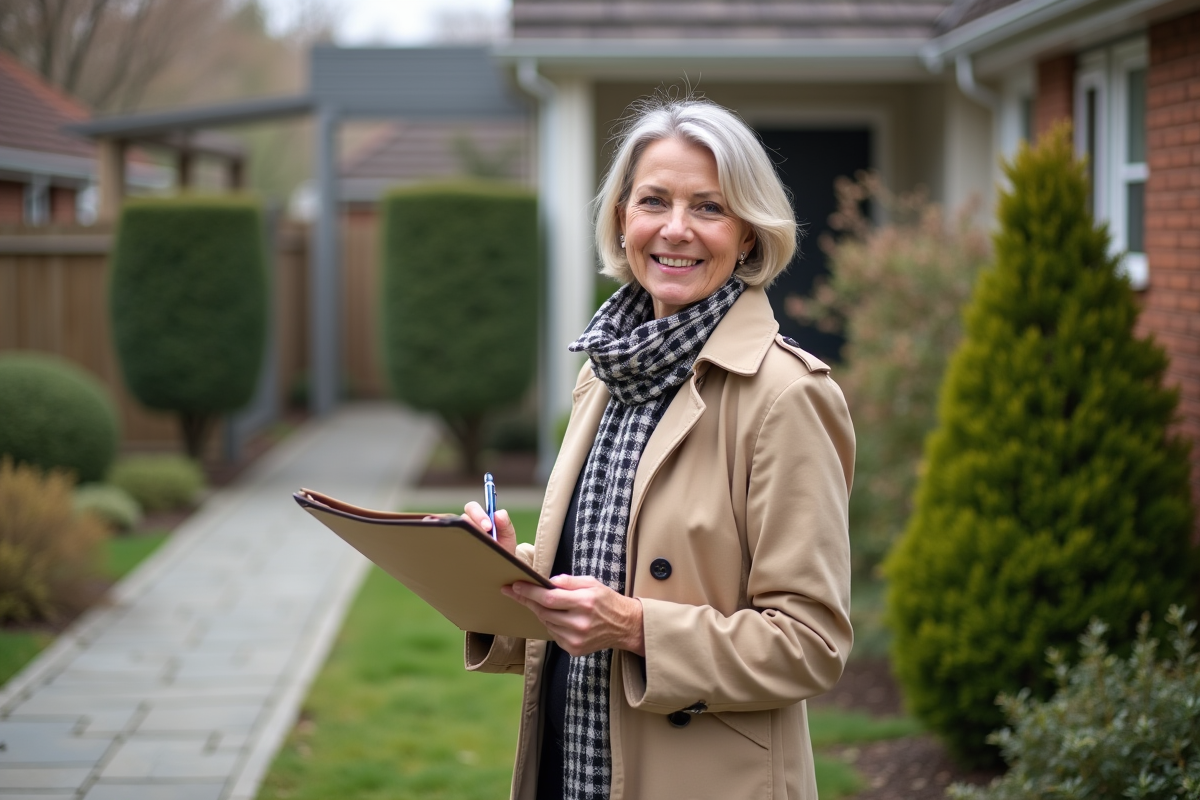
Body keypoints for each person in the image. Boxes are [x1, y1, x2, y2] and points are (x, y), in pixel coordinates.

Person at [462, 96, 854, 800]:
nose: (676, 230)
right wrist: (501, 569)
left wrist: (640, 628)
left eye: (709, 207)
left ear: (749, 235)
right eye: (654, 201)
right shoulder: (603, 372)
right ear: (621, 218)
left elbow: (811, 645)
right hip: (570, 771)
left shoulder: (787, 397)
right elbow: (596, 585)